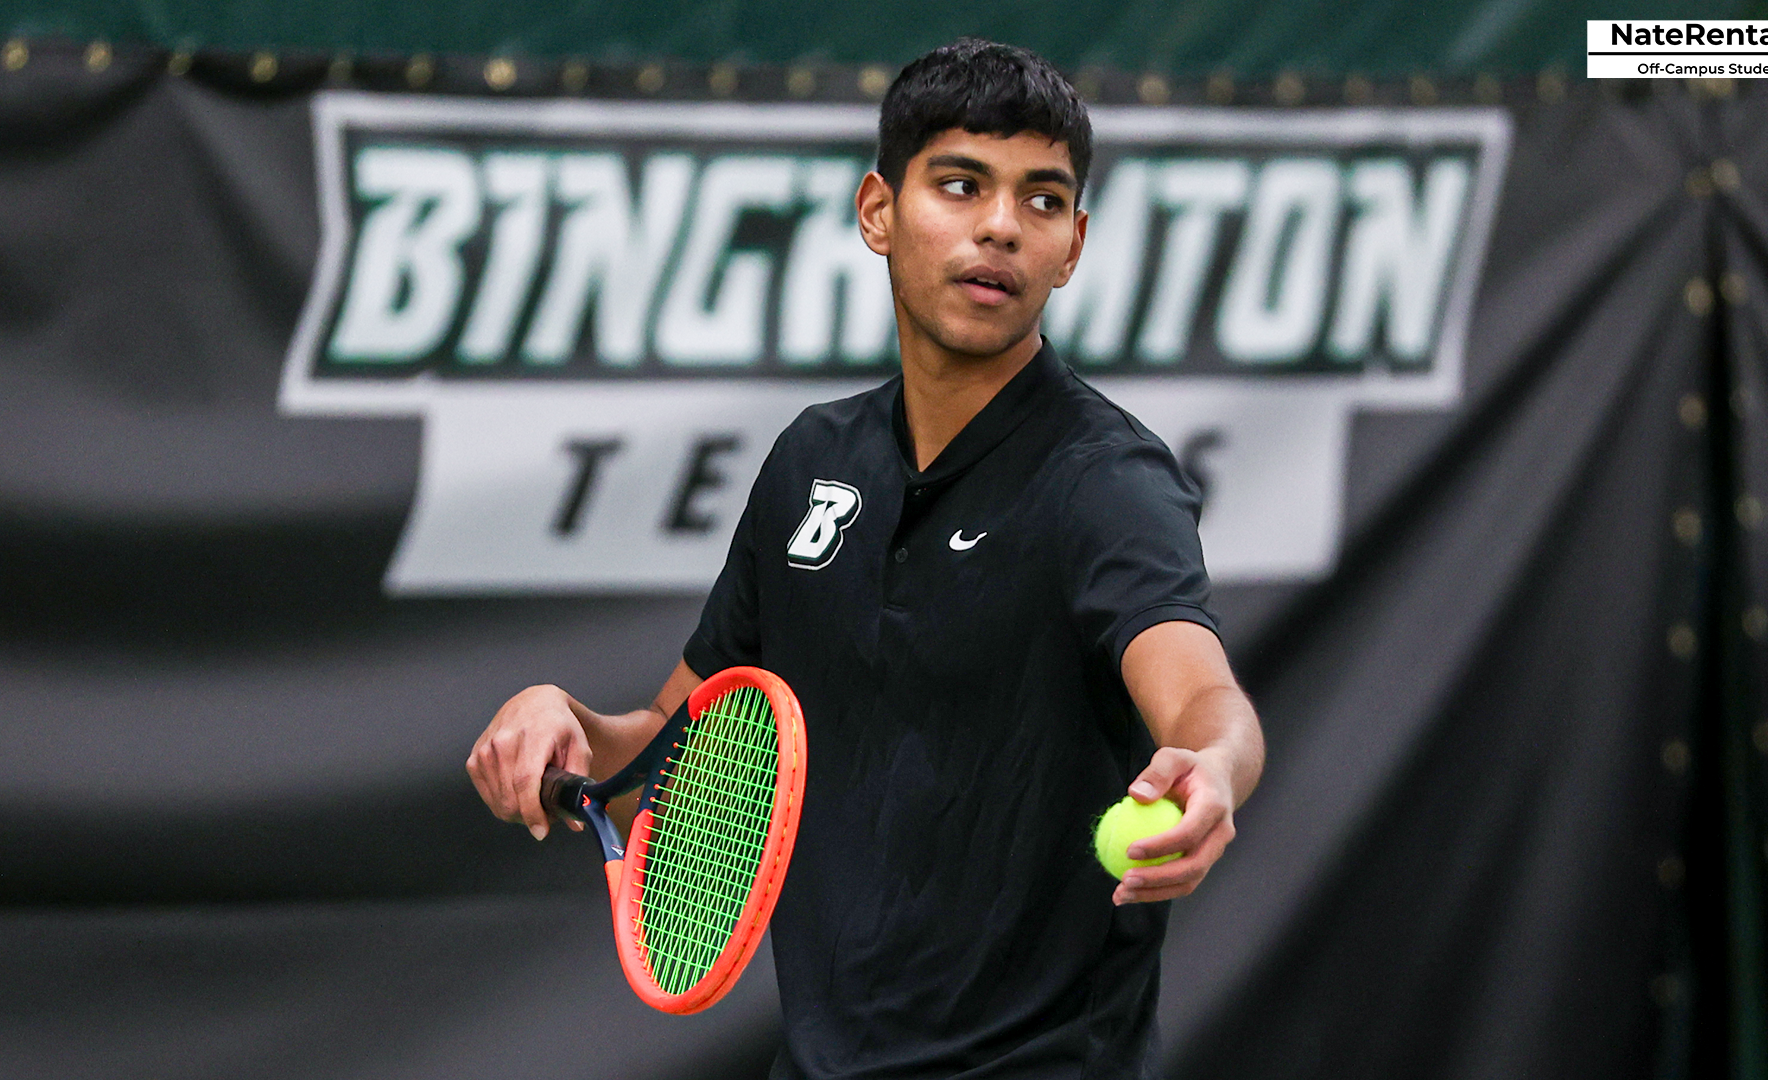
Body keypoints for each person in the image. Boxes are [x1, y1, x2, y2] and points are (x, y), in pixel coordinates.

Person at [467, 37, 1265, 1080]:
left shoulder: (1105, 481)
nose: (998, 227)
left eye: (1040, 200)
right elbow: (665, 769)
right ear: (878, 212)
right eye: (962, 184)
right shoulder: (812, 461)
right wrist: (564, 724)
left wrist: (1210, 772)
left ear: (1072, 245)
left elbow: (1204, 697)